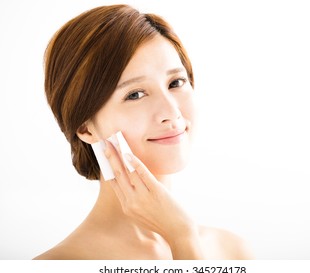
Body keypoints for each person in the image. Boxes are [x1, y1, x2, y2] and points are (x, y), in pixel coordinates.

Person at [34, 4, 252, 260]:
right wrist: (181, 237)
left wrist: (182, 236)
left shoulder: (231, 250)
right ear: (85, 127)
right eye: (135, 94)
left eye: (176, 82)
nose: (171, 112)